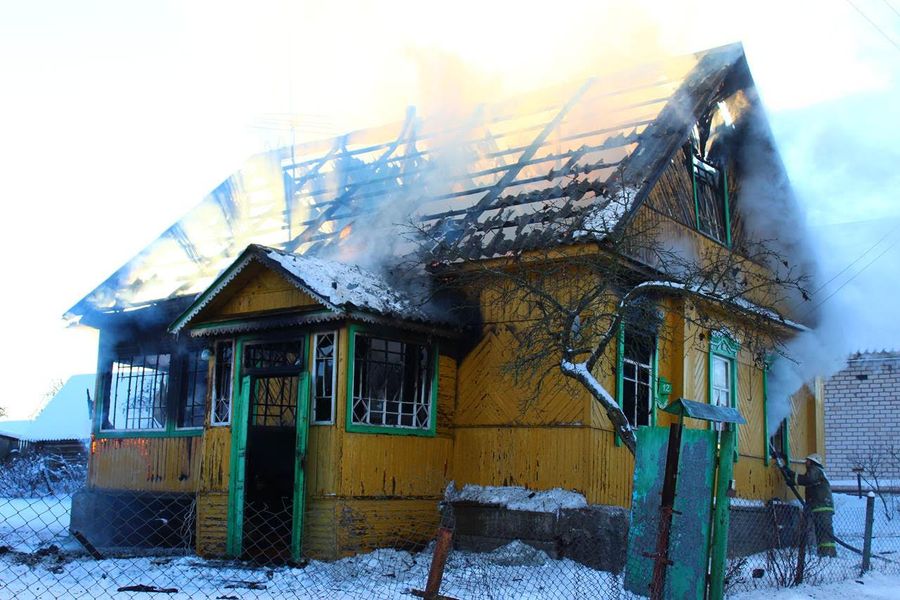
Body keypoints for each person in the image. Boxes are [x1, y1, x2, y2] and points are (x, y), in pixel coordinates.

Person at [784, 453, 836, 557]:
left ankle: (827, 552)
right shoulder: (817, 472)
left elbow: (808, 479)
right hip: (821, 505)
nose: (805, 462)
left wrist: (793, 481)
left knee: (824, 530)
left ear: (812, 462)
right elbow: (806, 478)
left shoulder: (814, 469)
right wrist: (790, 473)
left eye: (807, 460)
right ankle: (825, 551)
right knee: (822, 529)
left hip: (821, 506)